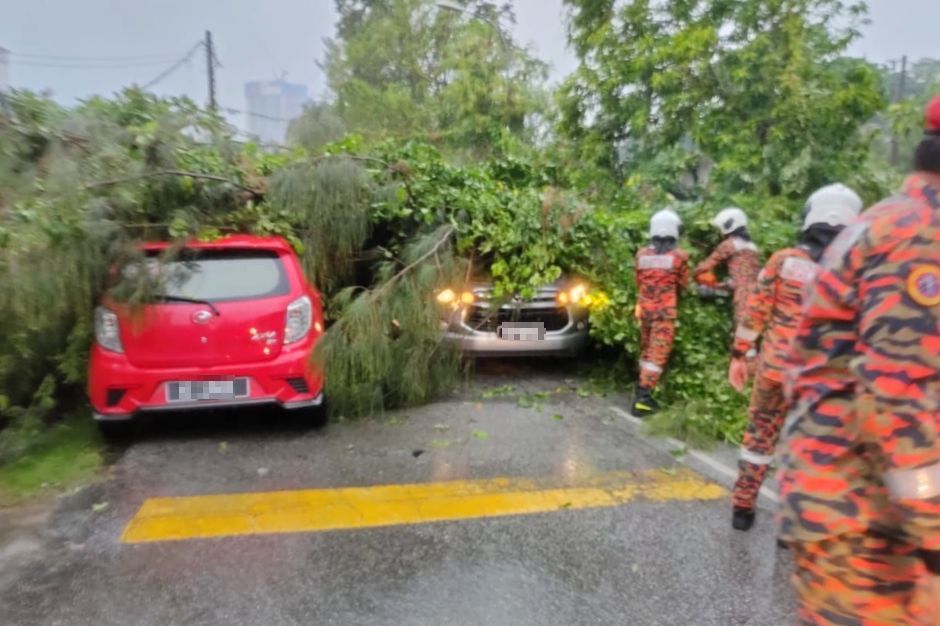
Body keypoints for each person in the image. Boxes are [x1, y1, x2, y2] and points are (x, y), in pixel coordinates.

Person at [778, 95, 940, 624]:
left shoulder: (889, 221)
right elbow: (897, 393)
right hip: (863, 517)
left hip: (854, 503)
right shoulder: (920, 234)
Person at [726, 183, 863, 532]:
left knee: (758, 437)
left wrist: (740, 356)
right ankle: (793, 525)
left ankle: (743, 509)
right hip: (821, 378)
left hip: (774, 371)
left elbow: (754, 314)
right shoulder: (855, 271)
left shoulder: (783, 261)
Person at [632, 209, 689, 417]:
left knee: (646, 352)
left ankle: (639, 387)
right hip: (664, 314)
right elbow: (683, 284)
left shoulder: (641, 255)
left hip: (645, 311)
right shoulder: (679, 257)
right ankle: (644, 400)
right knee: (657, 356)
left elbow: (637, 281)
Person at [694, 207, 761, 328]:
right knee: (752, 330)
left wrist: (690, 274)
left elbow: (706, 265)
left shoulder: (729, 244)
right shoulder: (752, 247)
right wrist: (720, 285)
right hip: (758, 292)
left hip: (743, 295)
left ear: (728, 225)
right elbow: (745, 275)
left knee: (742, 332)